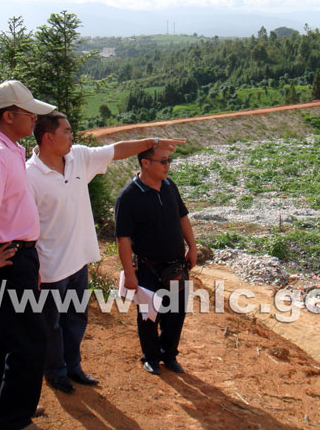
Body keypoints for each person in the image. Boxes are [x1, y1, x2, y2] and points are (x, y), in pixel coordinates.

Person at [26, 110, 186, 392]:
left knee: (76, 318)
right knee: (51, 324)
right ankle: (55, 373)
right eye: (67, 131)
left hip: (78, 261)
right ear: (48, 137)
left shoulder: (78, 157)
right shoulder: (29, 175)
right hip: (49, 266)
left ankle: (73, 367)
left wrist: (153, 141)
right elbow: (25, 224)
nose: (72, 136)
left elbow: (117, 150)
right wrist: (31, 265)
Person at [0, 80, 55, 430]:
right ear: (8, 116)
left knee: (8, 337)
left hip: (18, 258)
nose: (35, 118)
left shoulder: (9, 149)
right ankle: (13, 420)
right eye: (29, 113)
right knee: (30, 342)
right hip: (7, 261)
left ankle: (4, 404)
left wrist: (30, 259)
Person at [114, 146, 197, 375]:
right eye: (163, 161)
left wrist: (192, 246)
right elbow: (123, 238)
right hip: (148, 268)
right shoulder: (128, 196)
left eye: (169, 160)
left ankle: (169, 355)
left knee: (176, 314)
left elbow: (182, 217)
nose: (167, 165)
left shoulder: (169, 186)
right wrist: (129, 273)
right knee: (148, 316)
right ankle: (150, 357)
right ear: (145, 163)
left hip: (175, 265)